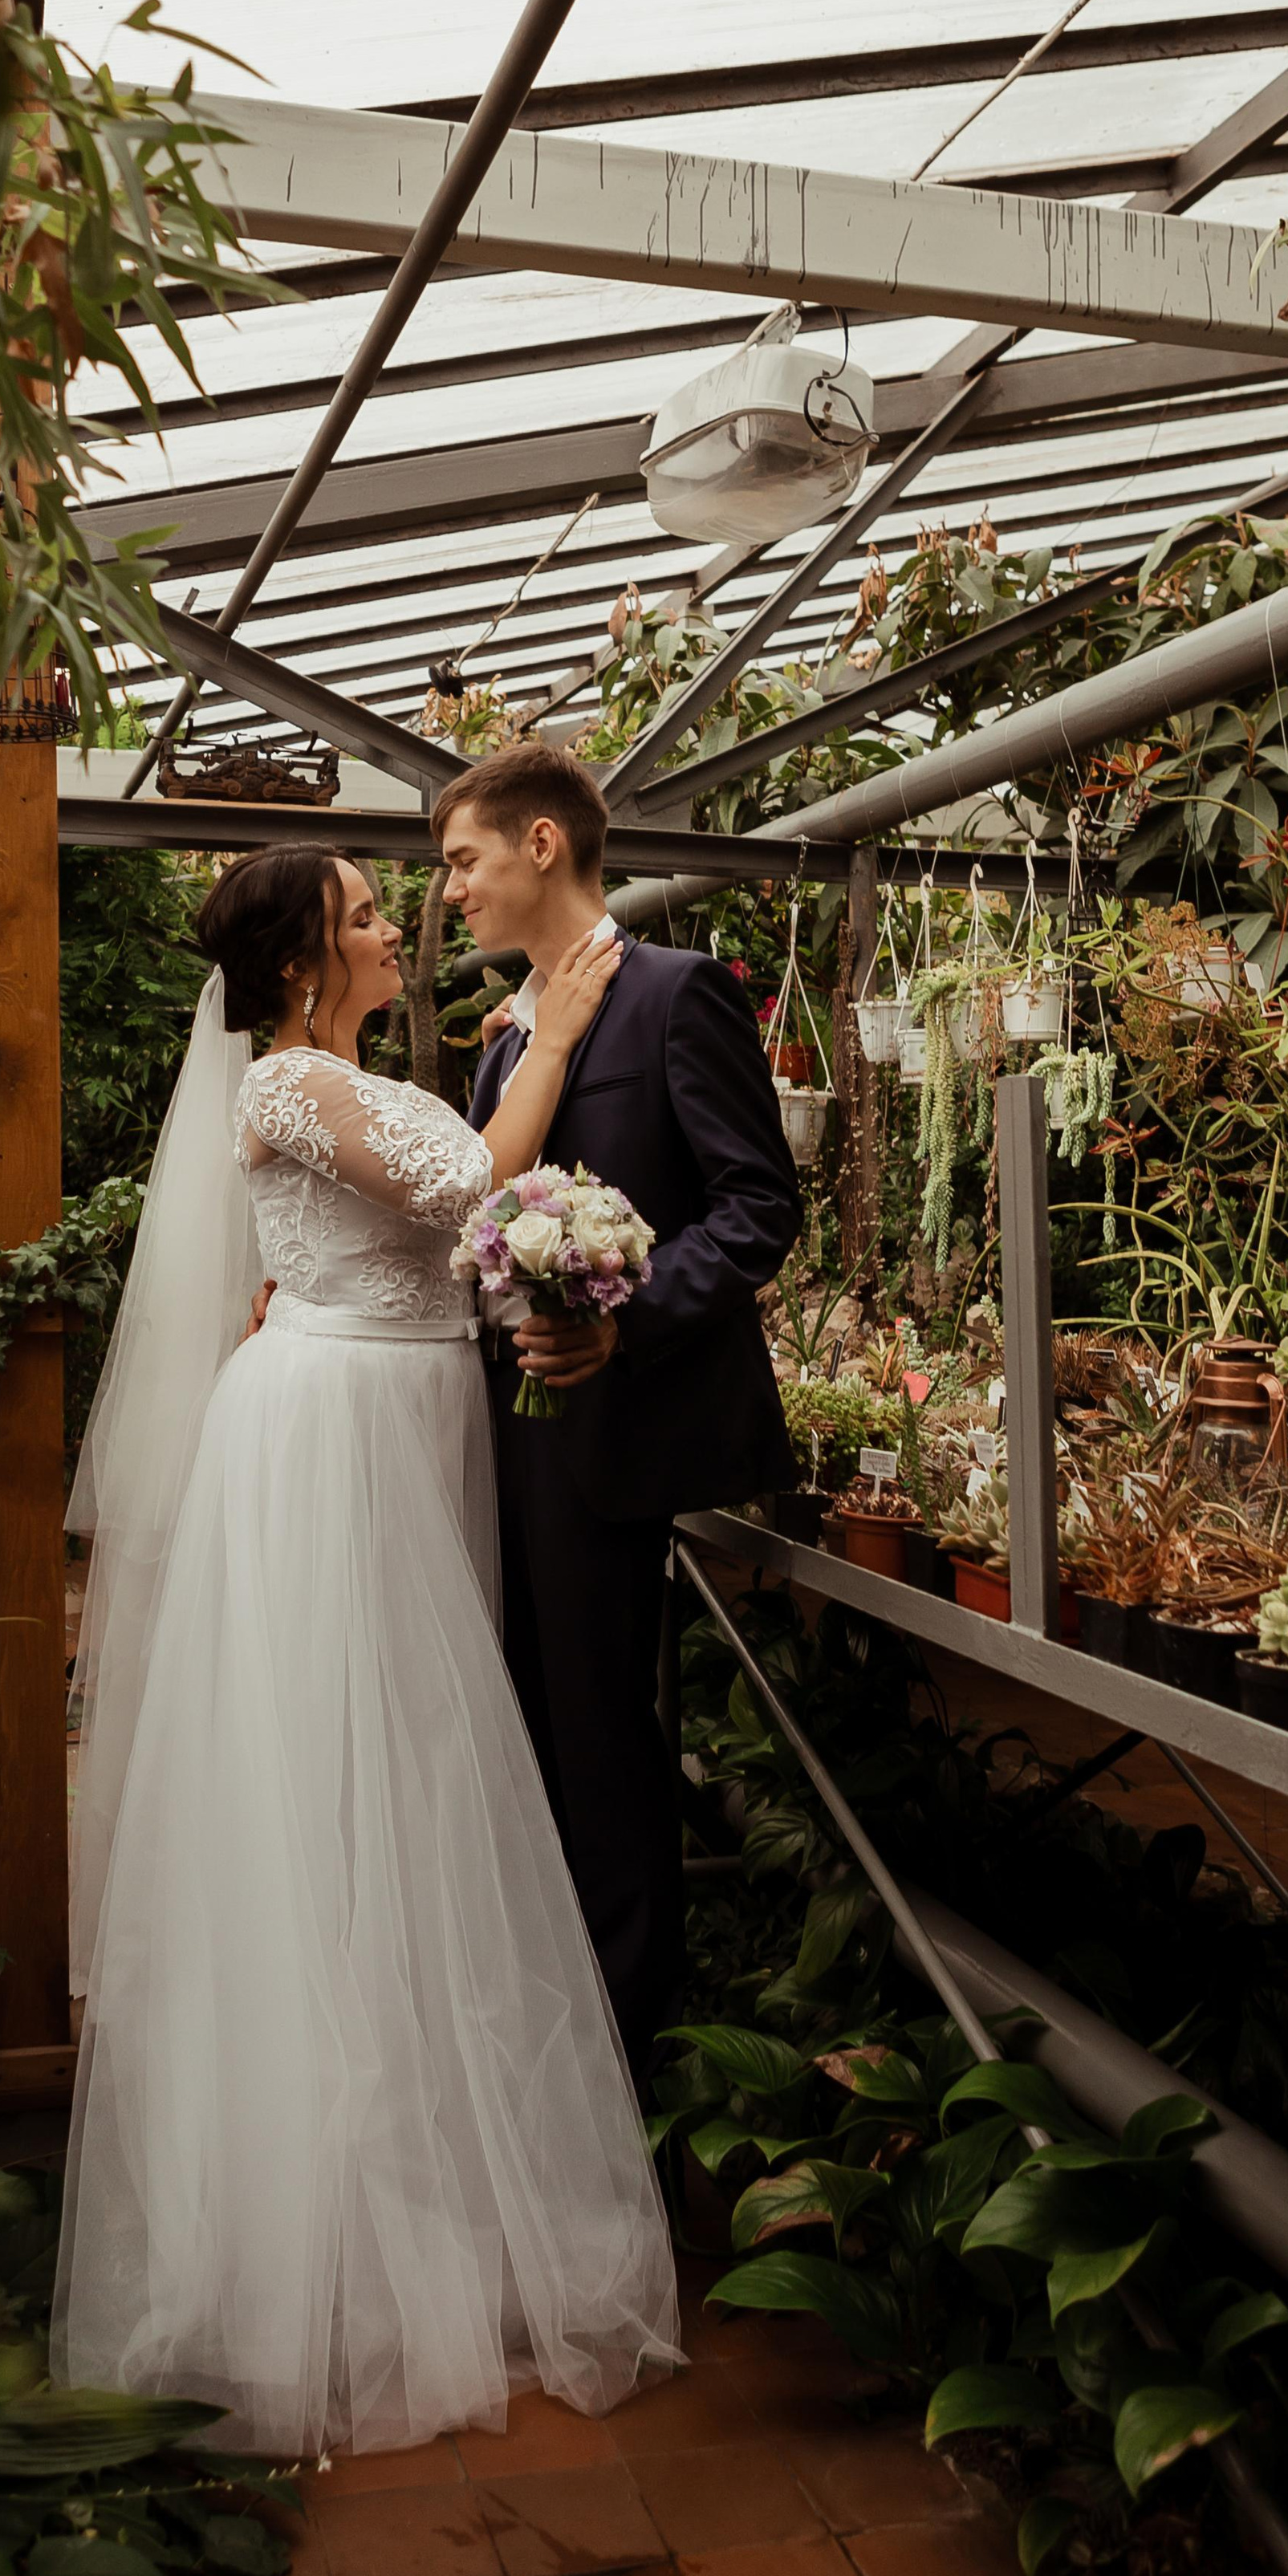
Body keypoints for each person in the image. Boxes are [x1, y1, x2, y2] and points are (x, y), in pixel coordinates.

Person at [54, 846, 679, 2456]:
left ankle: (415, 2153)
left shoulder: (342, 1074)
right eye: (359, 909)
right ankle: (320, 2211)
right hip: (335, 1431)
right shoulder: (287, 1085)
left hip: (405, 1417)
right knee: (343, 1771)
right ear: (293, 962)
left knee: (409, 1754)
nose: (391, 918)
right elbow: (475, 1179)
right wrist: (560, 1020)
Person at [437, 742, 804, 2082]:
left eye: (463, 862)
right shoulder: (512, 1030)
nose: (452, 894)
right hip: (514, 1434)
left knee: (598, 1727)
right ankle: (548, 1997)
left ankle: (625, 2033)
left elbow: (758, 1208)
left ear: (543, 845)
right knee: (531, 1719)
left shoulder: (676, 994)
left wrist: (622, 1316)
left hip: (621, 1429)